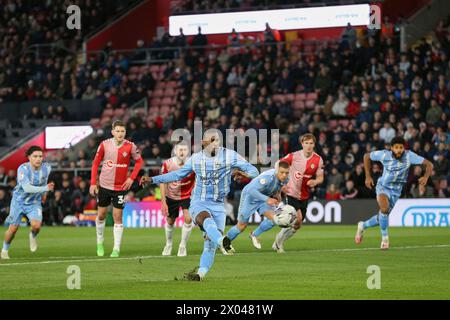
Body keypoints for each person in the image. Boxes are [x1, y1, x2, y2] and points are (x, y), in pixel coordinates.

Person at [140, 131, 259, 281]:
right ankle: (222, 241)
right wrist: (152, 179)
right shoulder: (196, 159)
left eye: (217, 140)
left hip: (218, 205)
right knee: (206, 220)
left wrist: (245, 174)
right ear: (204, 142)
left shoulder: (230, 156)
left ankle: (200, 274)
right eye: (212, 140)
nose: (215, 143)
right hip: (199, 202)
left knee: (210, 245)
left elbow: (254, 171)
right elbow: (177, 174)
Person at [355, 136, 434, 249]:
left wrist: (425, 177)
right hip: (383, 187)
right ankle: (385, 238)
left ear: (404, 148)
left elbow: (429, 164)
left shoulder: (409, 156)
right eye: (396, 147)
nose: (398, 150)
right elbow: (366, 156)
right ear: (391, 148)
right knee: (384, 209)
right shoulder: (384, 154)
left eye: (401, 147)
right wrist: (368, 177)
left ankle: (362, 225)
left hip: (396, 191)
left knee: (382, 217)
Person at [90, 120, 144, 257]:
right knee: (101, 215)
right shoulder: (104, 145)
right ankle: (100, 243)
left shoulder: (130, 146)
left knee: (117, 216)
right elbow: (95, 163)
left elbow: (139, 161)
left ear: (125, 132)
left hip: (120, 187)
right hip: (104, 185)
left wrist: (131, 178)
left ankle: (116, 248)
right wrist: (92, 183)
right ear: (112, 132)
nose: (120, 133)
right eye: (118, 131)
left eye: (122, 131)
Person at [272, 133, 324, 253]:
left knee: (297, 225)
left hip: (304, 195)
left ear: (314, 144)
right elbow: (278, 164)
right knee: (297, 218)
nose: (308, 146)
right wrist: (281, 183)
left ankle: (278, 241)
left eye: (311, 143)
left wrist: (315, 181)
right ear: (302, 144)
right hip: (291, 192)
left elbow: (321, 177)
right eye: (306, 143)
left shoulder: (318, 159)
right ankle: (279, 243)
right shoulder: (294, 156)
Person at [1, 146, 54, 259]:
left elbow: (44, 183)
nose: (38, 159)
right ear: (29, 157)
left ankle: (32, 235)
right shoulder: (22, 169)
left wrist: (44, 194)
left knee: (37, 226)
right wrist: (45, 189)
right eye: (35, 156)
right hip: (18, 202)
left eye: (40, 156)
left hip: (34, 202)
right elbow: (27, 188)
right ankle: (4, 250)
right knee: (13, 229)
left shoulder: (47, 168)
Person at [226, 161, 290, 249]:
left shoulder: (286, 179)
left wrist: (278, 196)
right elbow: (251, 190)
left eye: (286, 173)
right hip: (250, 197)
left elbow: (278, 187)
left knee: (276, 218)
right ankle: (225, 242)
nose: (284, 175)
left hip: (263, 198)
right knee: (241, 226)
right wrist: (267, 199)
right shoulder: (268, 177)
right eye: (282, 172)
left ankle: (254, 234)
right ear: (276, 170)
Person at [160, 141, 196, 257]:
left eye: (185, 149)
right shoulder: (168, 164)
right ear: (175, 151)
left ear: (188, 152)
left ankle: (182, 246)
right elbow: (162, 181)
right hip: (171, 196)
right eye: (180, 149)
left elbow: (198, 178)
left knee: (188, 219)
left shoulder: (193, 163)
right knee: (170, 221)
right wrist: (163, 201)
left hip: (187, 196)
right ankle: (169, 244)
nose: (182, 152)